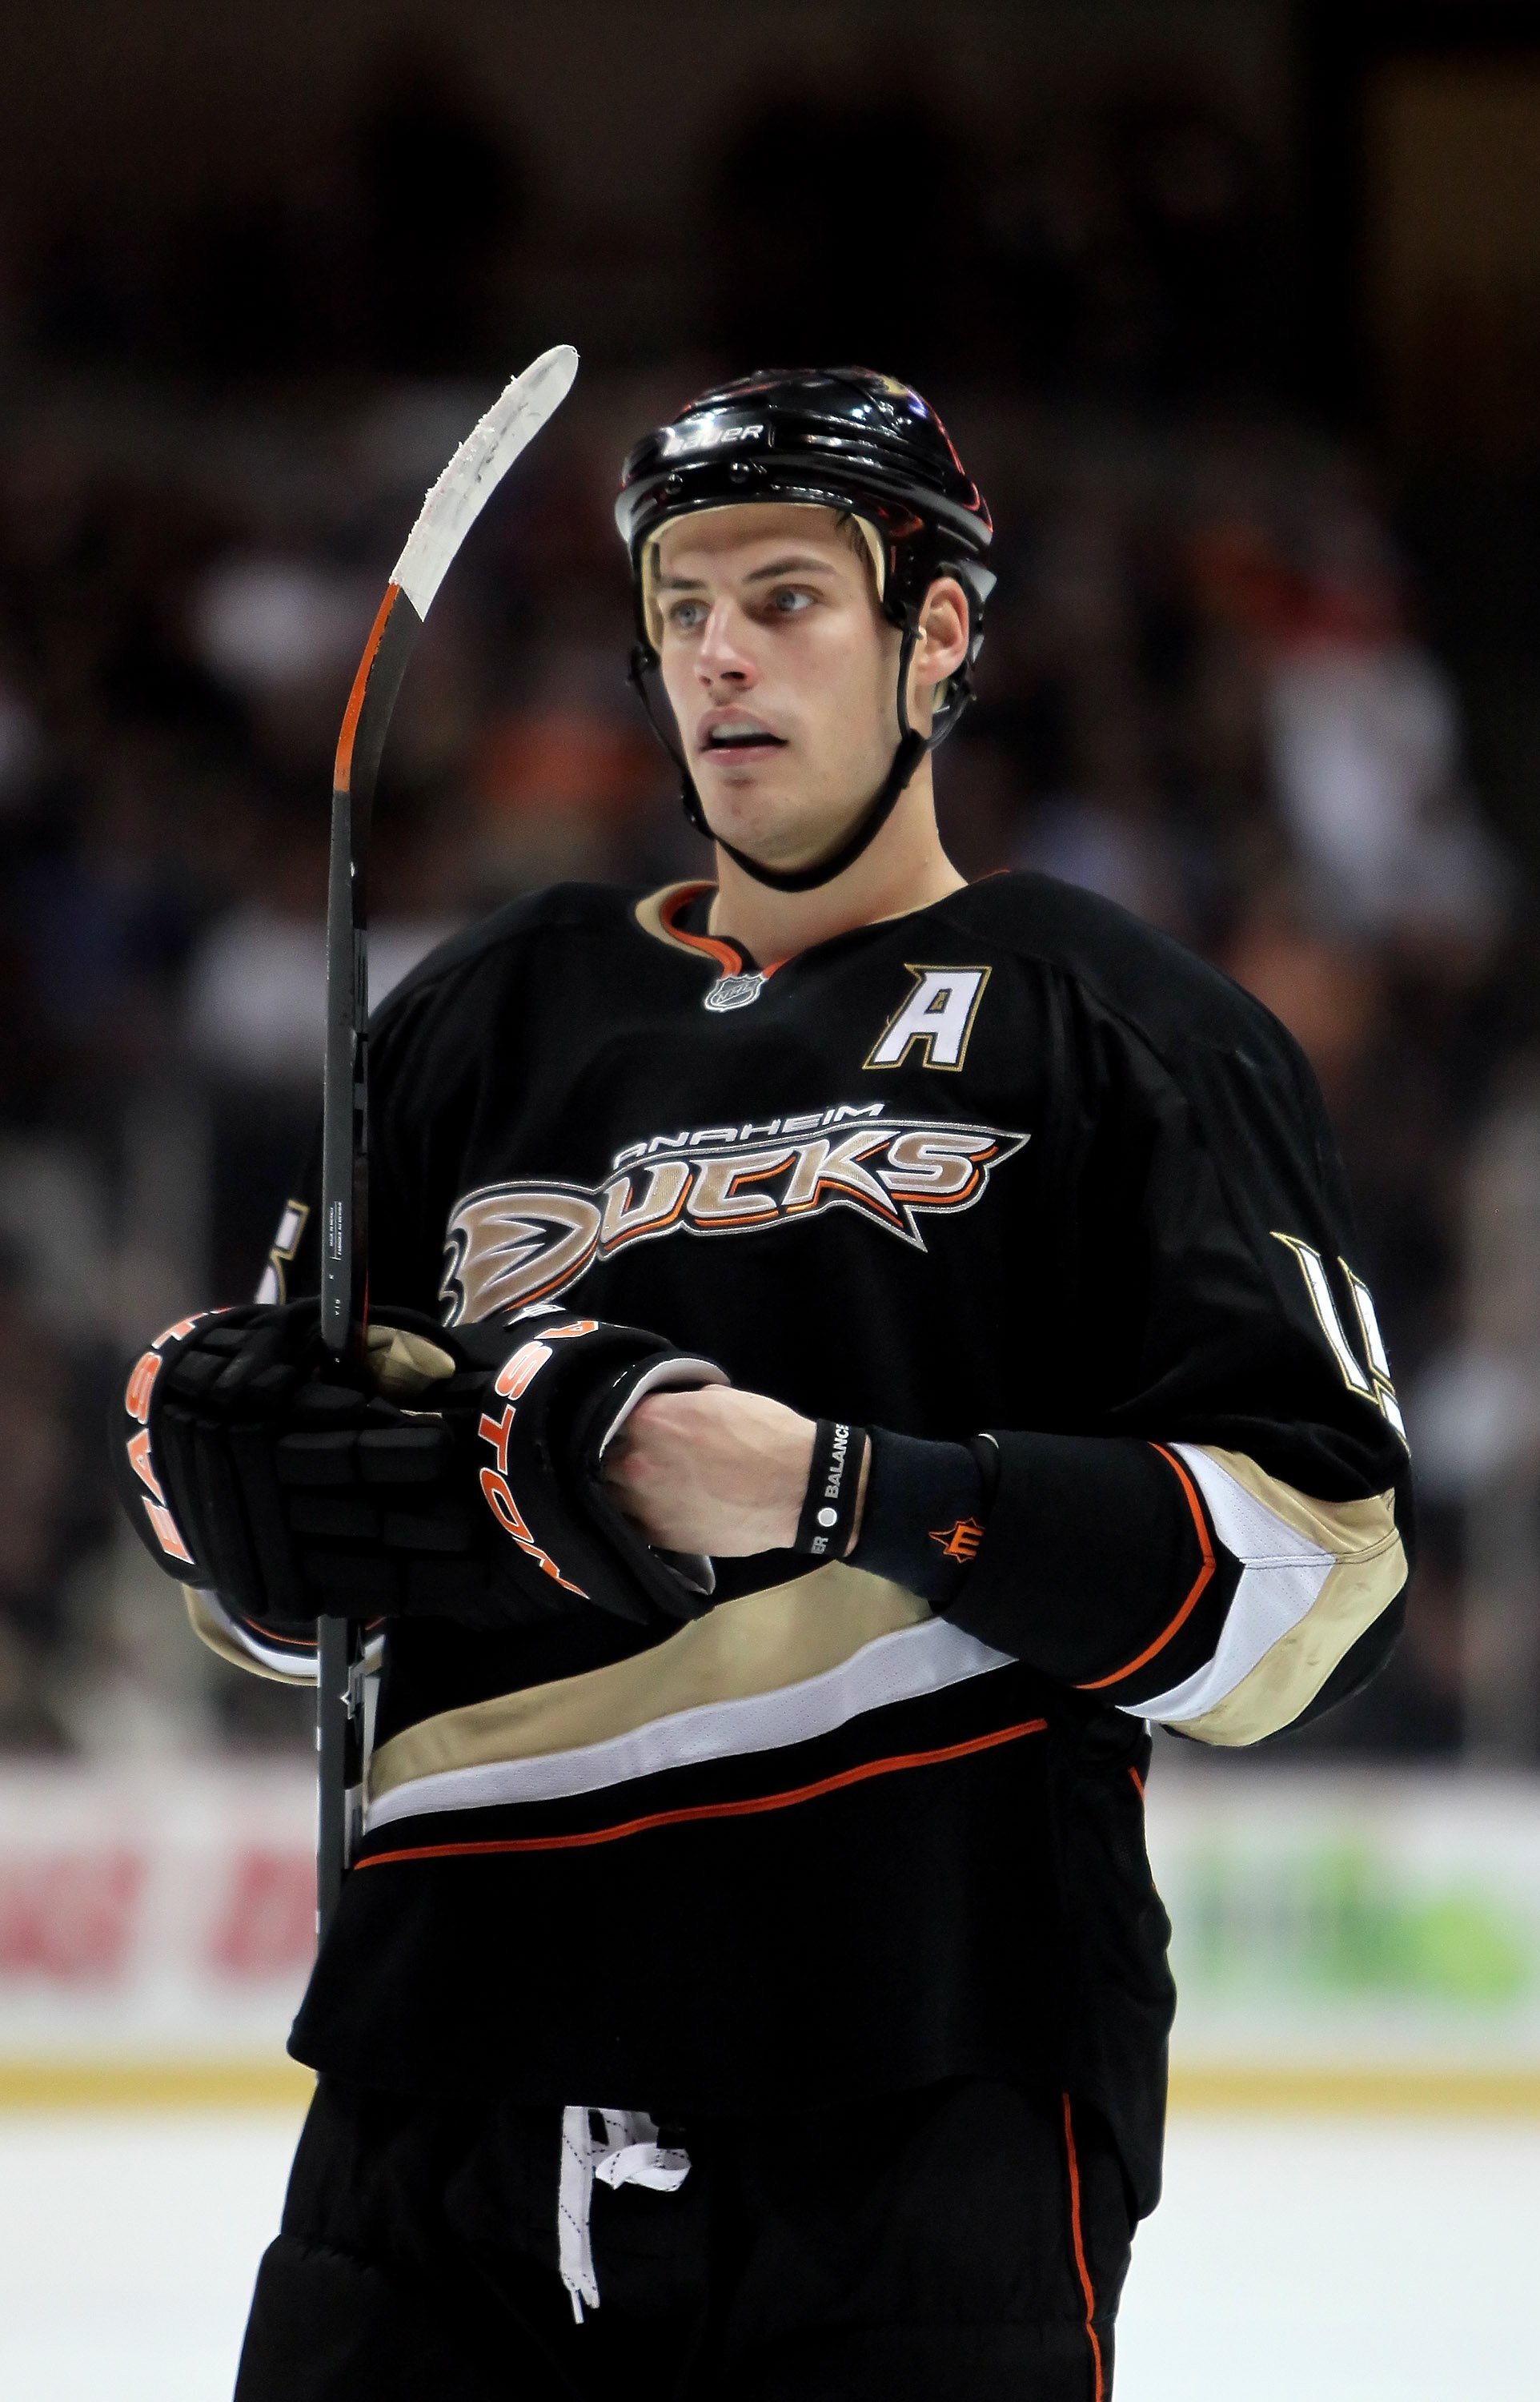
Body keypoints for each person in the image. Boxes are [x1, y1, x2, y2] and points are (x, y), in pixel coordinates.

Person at [114, 369, 1413, 2400]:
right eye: (680, 607)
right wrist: (246, 1528)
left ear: (939, 639)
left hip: (919, 2092)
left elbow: (1306, 1594)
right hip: (437, 2096)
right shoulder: (476, 1018)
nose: (720, 653)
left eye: (790, 595)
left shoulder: (1125, 1033)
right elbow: (308, 1598)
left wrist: (841, 1492)